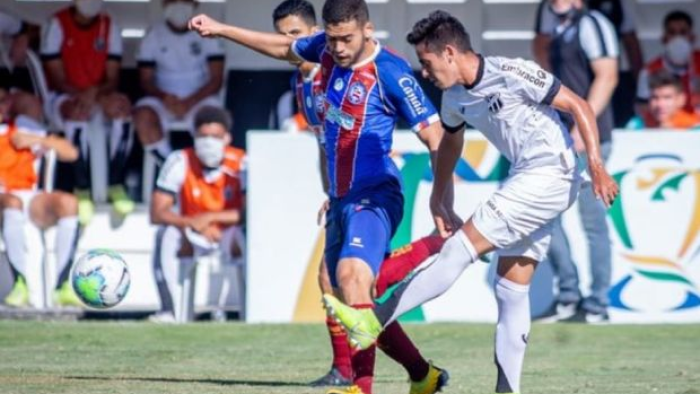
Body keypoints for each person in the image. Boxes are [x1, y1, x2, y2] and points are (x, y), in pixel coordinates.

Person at [322, 10, 618, 394]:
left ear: (449, 52)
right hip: (527, 176)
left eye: (426, 63)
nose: (424, 73)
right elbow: (451, 144)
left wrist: (596, 164)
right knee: (510, 290)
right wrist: (438, 197)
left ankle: (372, 320)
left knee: (457, 252)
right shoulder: (453, 98)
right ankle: (506, 390)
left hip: (549, 173)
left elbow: (579, 104)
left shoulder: (512, 71)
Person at [189, 2, 449, 394]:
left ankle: (359, 387)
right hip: (341, 198)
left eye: (347, 39)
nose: (340, 48)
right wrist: (221, 29)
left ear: (367, 30)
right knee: (351, 295)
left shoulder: (391, 72)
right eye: (333, 39)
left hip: (376, 193)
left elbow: (437, 137)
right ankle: (422, 375)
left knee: (349, 278)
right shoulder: (323, 53)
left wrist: (440, 199)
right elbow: (281, 48)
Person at [535, 0, 619, 323]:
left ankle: (597, 303)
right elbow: (541, 59)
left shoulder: (593, 24)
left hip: (589, 137)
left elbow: (608, 77)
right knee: (546, 216)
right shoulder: (553, 23)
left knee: (592, 221)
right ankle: (569, 294)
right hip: (560, 137)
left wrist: (583, 129)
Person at [41, 0, 134, 225]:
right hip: (61, 97)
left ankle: (115, 183)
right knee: (77, 114)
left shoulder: (108, 25)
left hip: (97, 94)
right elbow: (56, 78)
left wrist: (96, 95)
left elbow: (112, 79)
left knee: (121, 109)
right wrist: (82, 96)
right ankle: (81, 188)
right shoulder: (58, 23)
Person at [149, 106, 245, 322]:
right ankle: (171, 310)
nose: (209, 142)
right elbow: (157, 212)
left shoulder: (242, 162)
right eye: (203, 136)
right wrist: (189, 224)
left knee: (251, 235)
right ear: (193, 137)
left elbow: (250, 213)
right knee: (165, 234)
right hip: (191, 230)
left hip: (230, 231)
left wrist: (211, 219)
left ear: (227, 138)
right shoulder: (179, 160)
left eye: (216, 136)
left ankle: (253, 311)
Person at [0, 92, 82, 308]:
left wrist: (37, 139)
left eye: (3, 100)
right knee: (12, 203)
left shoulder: (22, 128)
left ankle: (62, 286)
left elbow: (71, 153)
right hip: (4, 199)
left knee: (68, 203)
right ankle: (20, 282)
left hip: (27, 197)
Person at [134, 0, 226, 164]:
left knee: (213, 121)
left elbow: (216, 79)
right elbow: (145, 80)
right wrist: (165, 98)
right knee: (142, 116)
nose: (179, 5)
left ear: (195, 4)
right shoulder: (153, 35)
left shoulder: (209, 32)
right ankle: (170, 166)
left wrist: (190, 102)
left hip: (200, 99)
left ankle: (204, 171)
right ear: (164, 4)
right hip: (163, 99)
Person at [533, 0, 643, 80]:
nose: (558, 3)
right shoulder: (550, 8)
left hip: (603, 78)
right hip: (565, 77)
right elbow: (541, 44)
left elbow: (607, 76)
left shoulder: (594, 22)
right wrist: (551, 84)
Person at [637, 10, 700, 116]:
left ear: (692, 37)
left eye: (683, 32)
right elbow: (643, 108)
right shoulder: (649, 70)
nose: (678, 38)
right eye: (672, 32)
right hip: (665, 129)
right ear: (664, 38)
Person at [626, 71, 700, 130]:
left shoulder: (694, 127)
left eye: (667, 97)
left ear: (681, 100)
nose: (660, 105)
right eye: (654, 97)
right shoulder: (638, 125)